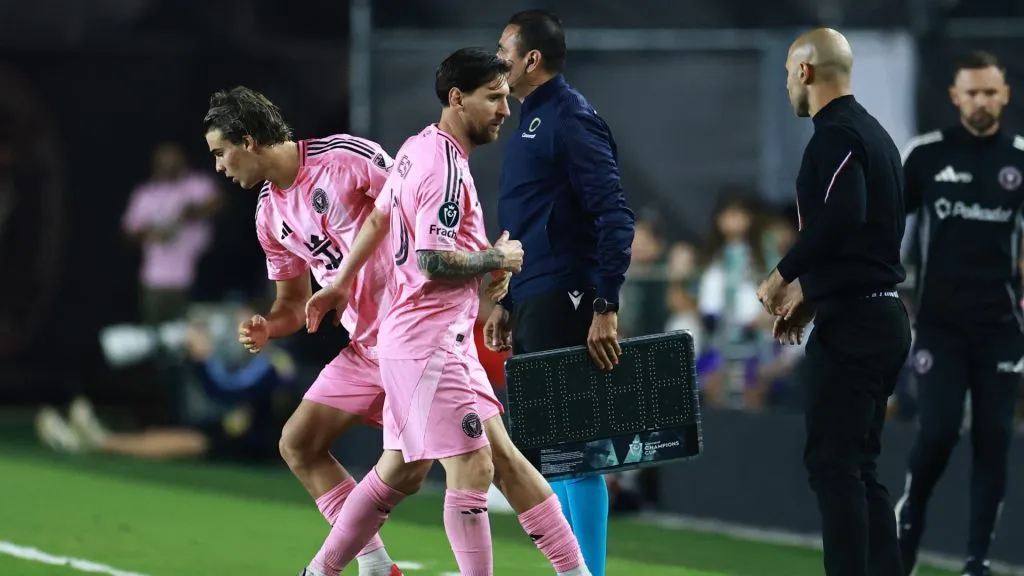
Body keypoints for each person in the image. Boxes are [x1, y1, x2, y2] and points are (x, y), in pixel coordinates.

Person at [302, 48, 592, 576]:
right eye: (494, 97)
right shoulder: (446, 168)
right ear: (458, 98)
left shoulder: (416, 148)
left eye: (507, 96)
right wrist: (495, 258)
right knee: (474, 465)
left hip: (434, 340)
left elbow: (379, 222)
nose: (506, 108)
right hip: (426, 343)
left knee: (483, 462)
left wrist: (340, 283)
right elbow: (433, 260)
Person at [202, 86, 402, 576]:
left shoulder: (346, 158)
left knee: (464, 465)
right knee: (298, 442)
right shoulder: (269, 214)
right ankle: (377, 567)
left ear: (248, 141)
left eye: (220, 152)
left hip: (416, 334)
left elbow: (419, 203)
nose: (219, 167)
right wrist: (268, 326)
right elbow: (292, 303)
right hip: (366, 346)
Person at [756, 28, 912, 576]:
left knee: (834, 467)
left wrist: (785, 275)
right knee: (859, 467)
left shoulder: (836, 135)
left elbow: (843, 216)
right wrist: (815, 295)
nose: (787, 87)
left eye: (786, 75)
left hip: (857, 326)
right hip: (879, 313)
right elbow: (867, 238)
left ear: (804, 71)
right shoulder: (876, 136)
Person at [485, 11, 636, 574]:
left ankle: (588, 571)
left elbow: (615, 216)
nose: (496, 61)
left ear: (531, 59)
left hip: (568, 296)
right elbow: (530, 220)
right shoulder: (531, 120)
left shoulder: (570, 118)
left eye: (503, 50)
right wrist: (506, 297)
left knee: (576, 447)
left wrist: (605, 303)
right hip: (536, 294)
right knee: (554, 449)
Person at [895, 51, 1024, 576]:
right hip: (940, 327)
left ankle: (977, 560)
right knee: (940, 432)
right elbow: (887, 225)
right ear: (955, 96)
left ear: (1006, 94)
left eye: (990, 92)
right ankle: (912, 516)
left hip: (1001, 328)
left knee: (994, 439)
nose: (981, 101)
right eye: (971, 92)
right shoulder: (926, 155)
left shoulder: (1020, 157)